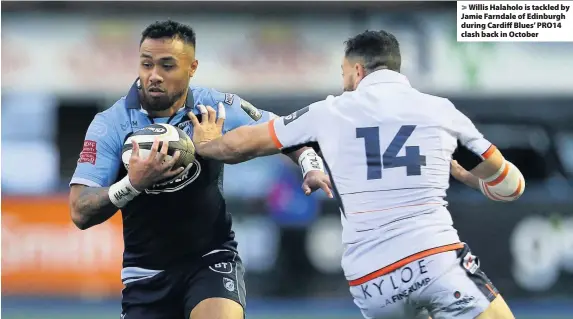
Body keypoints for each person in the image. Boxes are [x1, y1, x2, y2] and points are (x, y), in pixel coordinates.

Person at [189, 30, 525, 319]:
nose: (343, 81)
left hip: (371, 279)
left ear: (358, 71)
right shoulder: (441, 111)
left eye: (343, 73)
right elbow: (510, 184)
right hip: (434, 259)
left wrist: (205, 144)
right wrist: (473, 179)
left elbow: (242, 145)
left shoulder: (329, 111)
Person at [68, 20, 332, 319]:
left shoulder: (215, 106)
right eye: (146, 64)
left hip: (210, 259)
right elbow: (80, 211)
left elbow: (287, 132)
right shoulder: (110, 124)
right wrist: (133, 183)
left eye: (167, 66)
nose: (153, 75)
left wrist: (309, 165)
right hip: (145, 272)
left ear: (192, 68)